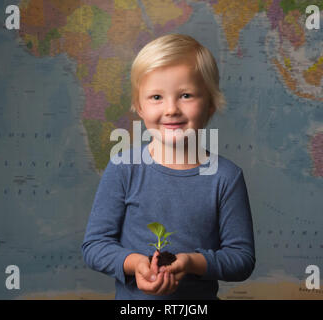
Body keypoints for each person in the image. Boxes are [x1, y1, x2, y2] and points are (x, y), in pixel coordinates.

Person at [81, 34, 255, 299]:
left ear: (210, 105)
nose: (171, 109)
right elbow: (95, 246)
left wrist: (190, 262)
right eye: (156, 97)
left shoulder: (225, 178)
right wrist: (136, 263)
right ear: (139, 106)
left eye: (186, 95)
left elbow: (241, 259)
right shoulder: (123, 168)